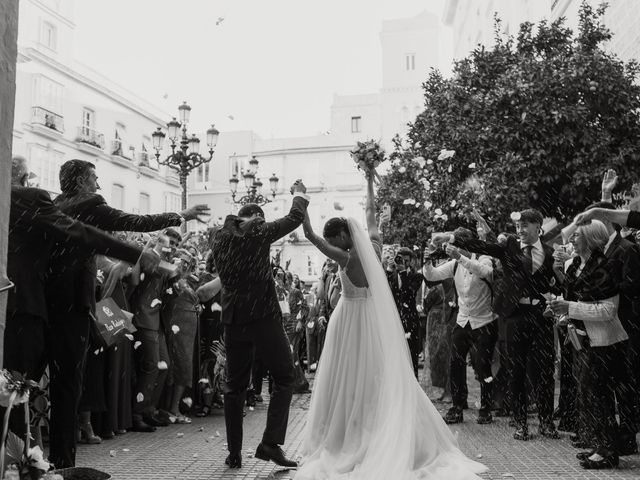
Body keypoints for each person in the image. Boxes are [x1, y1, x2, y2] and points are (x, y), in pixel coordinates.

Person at [297, 169, 486, 479]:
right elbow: (371, 212)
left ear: (343, 236)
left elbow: (310, 237)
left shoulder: (346, 258)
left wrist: (301, 201)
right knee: (373, 375)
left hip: (350, 320)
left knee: (348, 378)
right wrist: (370, 176)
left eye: (335, 240)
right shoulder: (373, 244)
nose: (334, 246)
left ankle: (350, 434)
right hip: (372, 319)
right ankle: (371, 424)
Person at [46, 159, 209, 463]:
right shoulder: (90, 203)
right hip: (75, 301)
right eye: (94, 178)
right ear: (81, 181)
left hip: (50, 298)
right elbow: (133, 221)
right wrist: (180, 215)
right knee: (69, 382)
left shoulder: (55, 206)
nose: (98, 185)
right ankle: (63, 462)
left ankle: (53, 458)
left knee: (58, 383)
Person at [5, 156, 159, 467]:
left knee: (15, 389)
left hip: (26, 308)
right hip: (42, 308)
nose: (98, 184)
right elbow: (83, 233)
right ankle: (49, 464)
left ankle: (17, 462)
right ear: (24, 178)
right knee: (41, 388)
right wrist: (138, 251)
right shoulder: (31, 199)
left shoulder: (34, 204)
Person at [433, 209, 561, 441]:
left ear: (538, 227)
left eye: (525, 226)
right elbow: (482, 246)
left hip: (541, 315)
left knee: (544, 372)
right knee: (517, 372)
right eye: (518, 227)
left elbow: (558, 285)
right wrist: (451, 238)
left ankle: (546, 422)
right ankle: (521, 423)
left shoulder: (551, 254)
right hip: (514, 317)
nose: (520, 231)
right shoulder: (509, 249)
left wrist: (555, 293)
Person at [212, 180, 309, 469]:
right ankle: (270, 443)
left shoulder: (219, 236)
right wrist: (299, 194)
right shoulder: (258, 231)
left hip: (233, 320)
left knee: (234, 385)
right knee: (283, 376)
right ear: (256, 219)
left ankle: (234, 453)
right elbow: (294, 217)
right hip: (263, 317)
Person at [549, 220, 629, 469]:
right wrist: (560, 310)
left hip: (604, 342)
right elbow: (572, 297)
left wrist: (570, 307)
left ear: (592, 238)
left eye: (577, 235)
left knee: (599, 395)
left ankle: (608, 450)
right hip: (580, 339)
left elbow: (608, 310)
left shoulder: (605, 267)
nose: (572, 239)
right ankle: (599, 444)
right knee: (585, 394)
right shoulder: (574, 266)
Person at [423, 227, 497, 425]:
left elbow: (485, 272)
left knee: (483, 367)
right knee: (455, 363)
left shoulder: (483, 258)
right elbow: (432, 276)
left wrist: (461, 257)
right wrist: (427, 260)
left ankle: (486, 408)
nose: (452, 249)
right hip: (462, 320)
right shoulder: (454, 264)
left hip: (485, 321)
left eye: (455, 245)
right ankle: (457, 406)